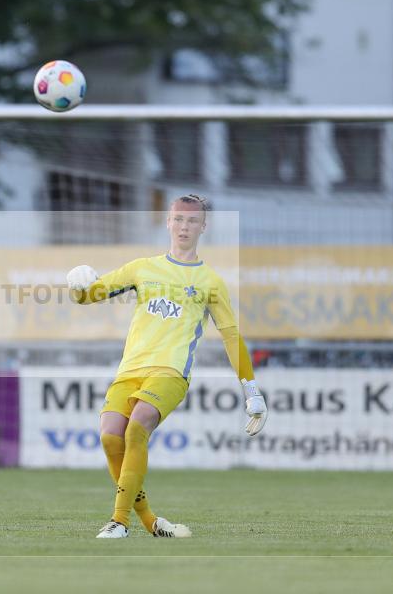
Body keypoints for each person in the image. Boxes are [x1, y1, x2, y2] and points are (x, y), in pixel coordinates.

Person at [66, 194, 267, 539]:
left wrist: (251, 390)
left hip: (171, 373)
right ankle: (150, 521)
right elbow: (90, 295)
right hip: (130, 370)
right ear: (167, 221)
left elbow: (231, 338)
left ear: (204, 227)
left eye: (192, 221)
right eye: (178, 219)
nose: (184, 226)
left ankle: (119, 522)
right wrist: (76, 285)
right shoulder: (141, 268)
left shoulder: (210, 282)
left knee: (136, 428)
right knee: (110, 436)